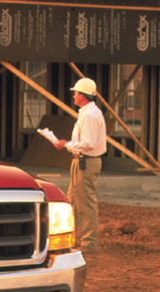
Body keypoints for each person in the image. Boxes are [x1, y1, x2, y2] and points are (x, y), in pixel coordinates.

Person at [54, 77, 107, 253]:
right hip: (80, 161)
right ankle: (70, 238)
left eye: (75, 93)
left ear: (83, 95)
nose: (74, 96)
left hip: (86, 162)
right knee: (73, 202)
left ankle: (89, 244)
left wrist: (66, 145)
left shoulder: (90, 115)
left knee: (86, 203)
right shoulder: (87, 113)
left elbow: (88, 143)